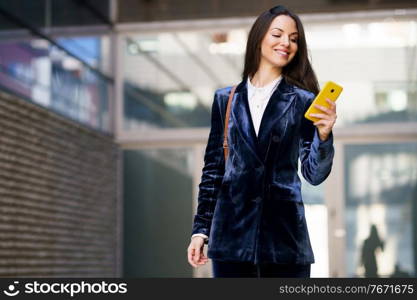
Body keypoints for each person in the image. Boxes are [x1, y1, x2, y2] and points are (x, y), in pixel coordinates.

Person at [187, 5, 337, 278]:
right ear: (258, 38)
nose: (286, 43)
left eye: (293, 39)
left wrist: (324, 136)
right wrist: (201, 230)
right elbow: (213, 172)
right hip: (231, 239)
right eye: (278, 34)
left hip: (284, 242)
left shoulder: (303, 101)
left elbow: (314, 174)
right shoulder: (226, 99)